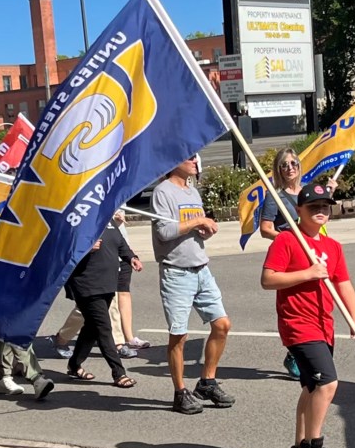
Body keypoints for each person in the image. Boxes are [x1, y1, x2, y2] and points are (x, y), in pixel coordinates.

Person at [261, 183, 355, 448]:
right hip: (298, 324)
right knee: (328, 384)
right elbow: (268, 279)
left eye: (325, 206)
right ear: (299, 210)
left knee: (310, 388)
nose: (320, 211)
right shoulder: (287, 241)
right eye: (313, 206)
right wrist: (308, 273)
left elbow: (344, 284)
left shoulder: (332, 247)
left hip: (324, 326)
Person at [151, 155, 235, 415]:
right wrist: (198, 222)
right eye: (189, 157)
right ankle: (180, 392)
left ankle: (207, 382)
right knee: (179, 335)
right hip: (176, 272)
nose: (195, 161)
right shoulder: (162, 192)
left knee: (222, 324)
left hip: (201, 268)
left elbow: (189, 229)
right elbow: (164, 232)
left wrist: (204, 230)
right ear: (174, 160)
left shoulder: (193, 192)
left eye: (197, 157)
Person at [260, 148, 338, 380]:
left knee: (318, 300)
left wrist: (329, 190)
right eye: (284, 165)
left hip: (316, 252)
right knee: (297, 304)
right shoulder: (276, 197)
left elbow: (320, 205)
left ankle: (306, 351)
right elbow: (265, 229)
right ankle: (297, 350)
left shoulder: (306, 191)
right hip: (293, 256)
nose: (290, 168)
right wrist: (290, 240)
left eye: (293, 163)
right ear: (279, 169)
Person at [64, 220, 141, 388]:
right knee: (104, 327)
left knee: (92, 327)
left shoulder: (108, 220)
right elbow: (61, 249)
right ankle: (119, 373)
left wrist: (131, 258)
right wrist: (84, 248)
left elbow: (120, 244)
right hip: (86, 283)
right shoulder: (76, 221)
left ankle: (74, 364)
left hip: (107, 283)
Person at [111, 209, 151, 355]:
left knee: (124, 294)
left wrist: (131, 256)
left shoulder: (119, 193)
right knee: (103, 303)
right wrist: (111, 219)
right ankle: (62, 337)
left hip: (123, 253)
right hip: (106, 254)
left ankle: (129, 338)